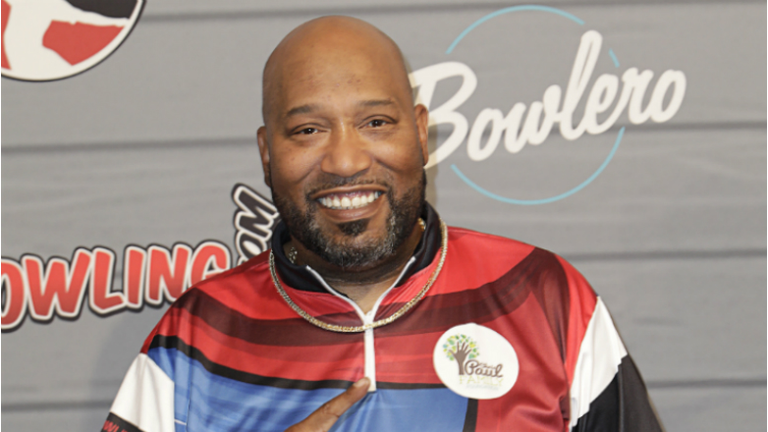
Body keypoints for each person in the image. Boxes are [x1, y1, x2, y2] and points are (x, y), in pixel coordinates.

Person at [103, 16, 664, 432]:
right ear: (267, 154)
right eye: (308, 131)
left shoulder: (542, 297)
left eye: (375, 122)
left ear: (420, 132)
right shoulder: (196, 336)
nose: (346, 162)